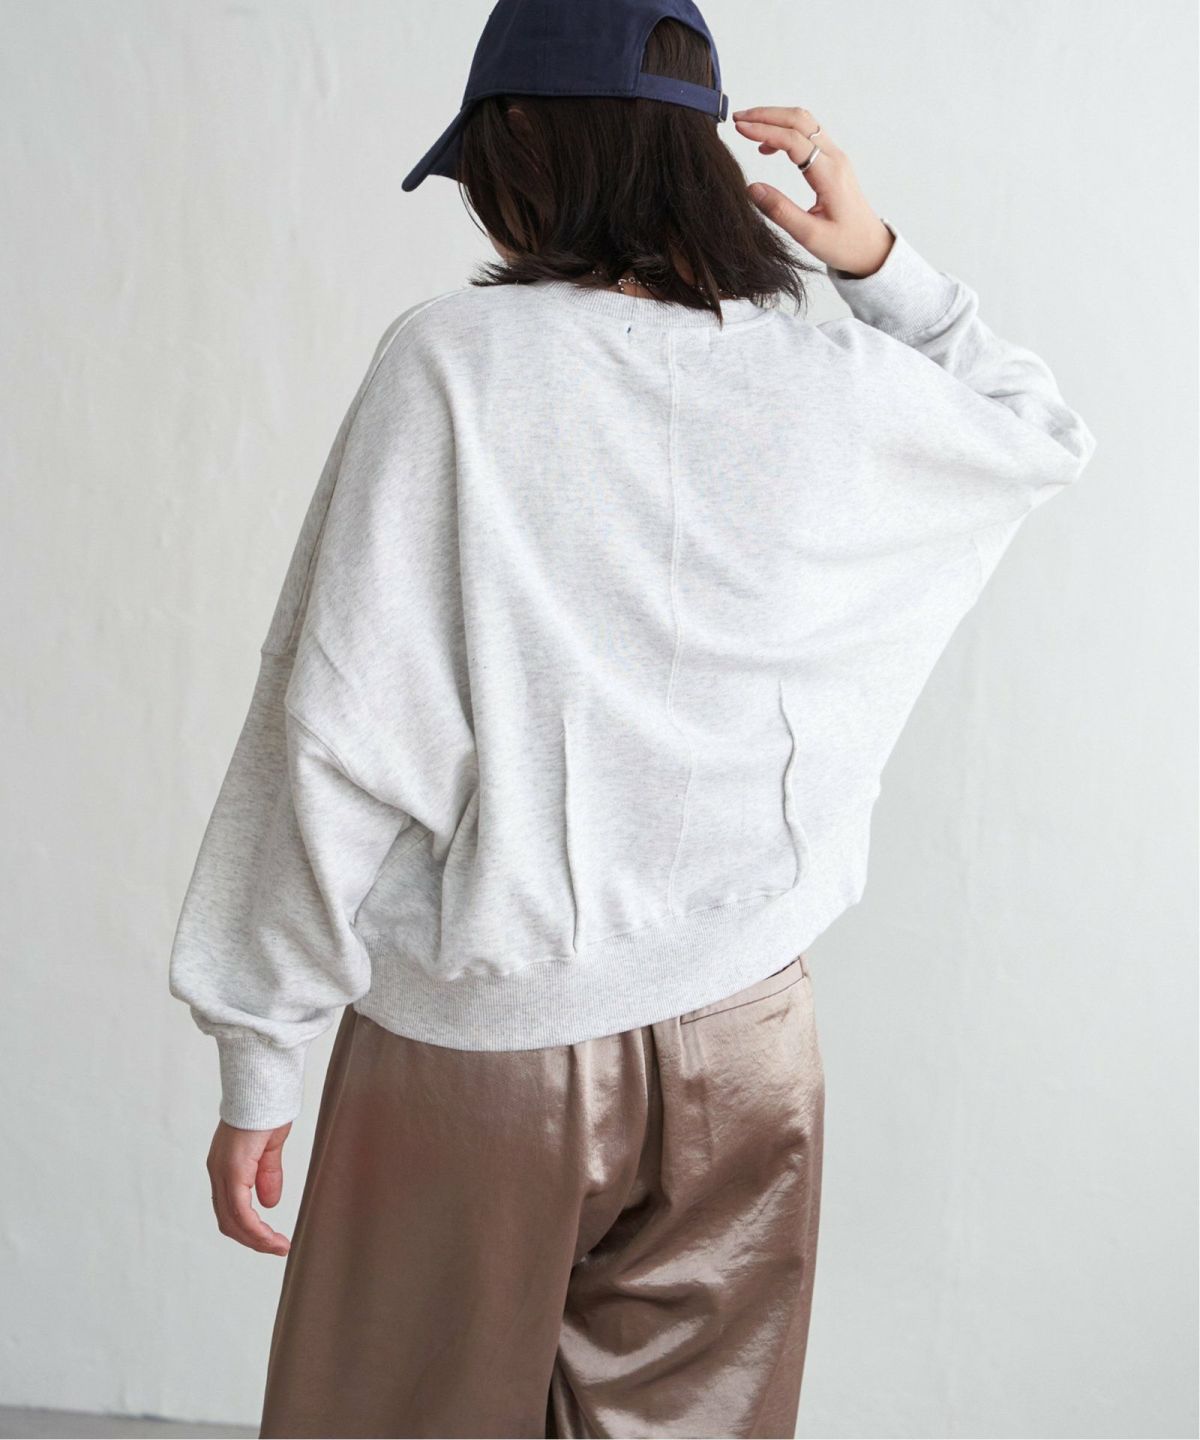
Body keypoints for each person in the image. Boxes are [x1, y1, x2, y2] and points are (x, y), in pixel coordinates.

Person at [166, 0, 1096, 1435]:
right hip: (753, 1037)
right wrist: (879, 263)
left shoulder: (455, 366)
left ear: (527, 146)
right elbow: (1035, 433)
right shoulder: (831, 381)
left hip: (490, 1048)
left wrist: (257, 1046)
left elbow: (338, 730)